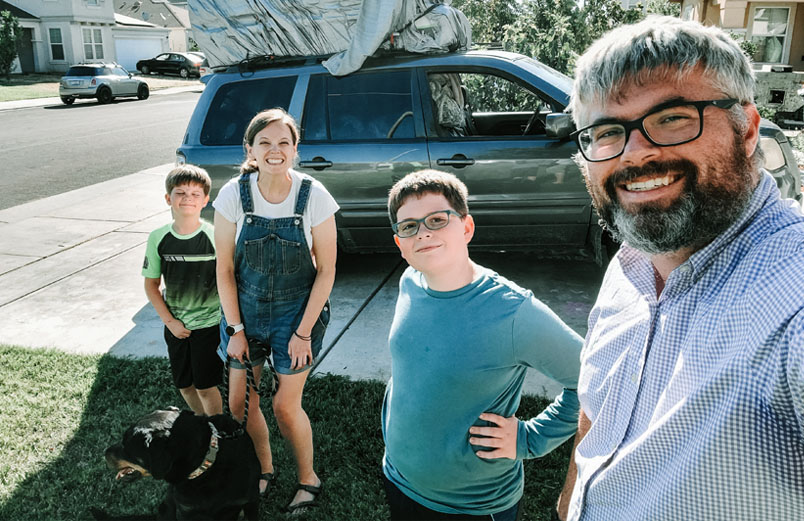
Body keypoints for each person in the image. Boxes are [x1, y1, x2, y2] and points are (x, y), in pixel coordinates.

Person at [557, 16, 804, 521]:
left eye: (672, 117)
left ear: (748, 128)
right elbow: (599, 414)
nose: (636, 153)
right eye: (607, 132)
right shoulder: (631, 262)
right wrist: (568, 505)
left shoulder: (792, 298)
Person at [382, 169, 584, 520]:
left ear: (466, 228)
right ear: (400, 243)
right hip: (399, 479)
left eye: (436, 219)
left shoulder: (514, 312)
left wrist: (530, 439)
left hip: (473, 505)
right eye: (409, 226)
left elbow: (594, 380)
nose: (423, 232)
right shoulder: (411, 281)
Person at [213, 108, 338, 513]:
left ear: (296, 149)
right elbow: (225, 269)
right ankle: (264, 469)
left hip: (296, 316)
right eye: (265, 142)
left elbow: (327, 270)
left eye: (284, 142)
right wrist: (235, 328)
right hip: (243, 314)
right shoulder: (234, 193)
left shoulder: (313, 195)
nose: (275, 150)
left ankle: (308, 478)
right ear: (250, 148)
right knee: (238, 404)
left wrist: (303, 333)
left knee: (285, 406)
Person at [142, 165, 223, 416]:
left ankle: (217, 433)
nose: (187, 198)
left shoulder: (214, 236)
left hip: (209, 325)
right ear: (168, 198)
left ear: (206, 200)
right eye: (180, 193)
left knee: (206, 386)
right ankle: (201, 426)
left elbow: (228, 279)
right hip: (176, 327)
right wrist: (171, 322)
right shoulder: (158, 237)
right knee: (185, 385)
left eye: (195, 194)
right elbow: (151, 285)